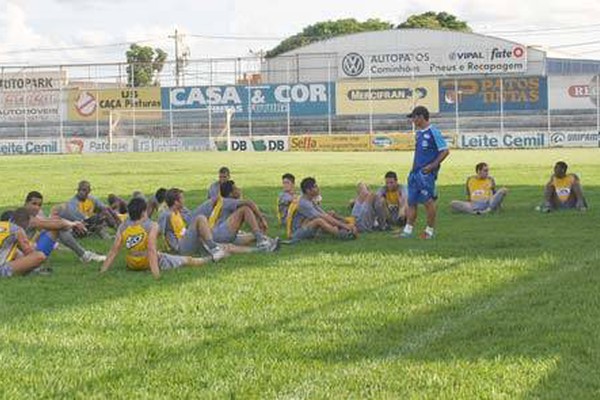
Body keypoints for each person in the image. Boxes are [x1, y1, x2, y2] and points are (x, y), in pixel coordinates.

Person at [101, 198, 219, 279]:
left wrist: (103, 271)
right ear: (143, 213)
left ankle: (210, 257)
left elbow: (114, 250)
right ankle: (211, 258)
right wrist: (156, 274)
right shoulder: (152, 226)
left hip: (132, 264)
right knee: (187, 260)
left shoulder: (123, 227)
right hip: (147, 262)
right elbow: (151, 250)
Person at [399, 106, 450, 239]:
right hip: (415, 173)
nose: (413, 121)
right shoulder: (419, 133)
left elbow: (445, 151)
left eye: (414, 117)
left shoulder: (433, 132)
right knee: (411, 202)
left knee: (428, 202)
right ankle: (408, 231)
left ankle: (429, 231)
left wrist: (433, 166)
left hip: (426, 175)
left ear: (421, 117)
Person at [24, 191, 106, 263]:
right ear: (26, 203)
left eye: (39, 205)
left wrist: (69, 223)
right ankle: (84, 255)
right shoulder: (26, 217)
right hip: (25, 255)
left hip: (32, 245)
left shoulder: (37, 213)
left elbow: (49, 223)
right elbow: (52, 224)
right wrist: (73, 224)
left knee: (58, 220)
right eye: (34, 204)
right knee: (58, 228)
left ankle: (82, 248)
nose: (36, 207)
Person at [208, 181, 279, 250]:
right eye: (235, 188)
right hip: (220, 234)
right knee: (245, 209)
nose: (239, 189)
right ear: (230, 194)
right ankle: (261, 241)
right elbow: (249, 202)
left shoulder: (228, 201)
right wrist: (261, 219)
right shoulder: (226, 201)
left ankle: (266, 240)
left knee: (254, 234)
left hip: (226, 237)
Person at [158, 188, 227, 258]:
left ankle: (212, 248)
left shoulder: (180, 211)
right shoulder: (166, 215)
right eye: (182, 198)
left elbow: (190, 218)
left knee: (227, 247)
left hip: (187, 240)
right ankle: (214, 248)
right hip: (180, 247)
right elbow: (159, 233)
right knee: (200, 218)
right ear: (176, 202)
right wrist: (163, 251)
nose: (184, 201)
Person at [288, 177, 357, 242]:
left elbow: (325, 215)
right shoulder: (304, 203)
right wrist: (345, 226)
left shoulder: (310, 200)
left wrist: (345, 222)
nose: (318, 188)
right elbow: (322, 217)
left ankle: (346, 227)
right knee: (319, 221)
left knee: (329, 214)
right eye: (315, 187)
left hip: (306, 225)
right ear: (308, 190)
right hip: (296, 233)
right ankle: (344, 235)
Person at [55, 180, 120, 238]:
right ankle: (108, 233)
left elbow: (104, 207)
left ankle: (118, 230)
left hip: (88, 222)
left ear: (89, 191)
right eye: (81, 190)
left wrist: (114, 215)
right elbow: (80, 220)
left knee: (105, 211)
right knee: (103, 215)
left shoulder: (91, 199)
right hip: (79, 225)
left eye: (85, 190)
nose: (82, 192)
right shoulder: (73, 203)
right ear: (78, 190)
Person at [0, 208, 51, 278]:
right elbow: (28, 251)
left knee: (16, 253)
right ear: (25, 222)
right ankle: (34, 271)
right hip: (1, 269)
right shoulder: (17, 229)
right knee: (40, 256)